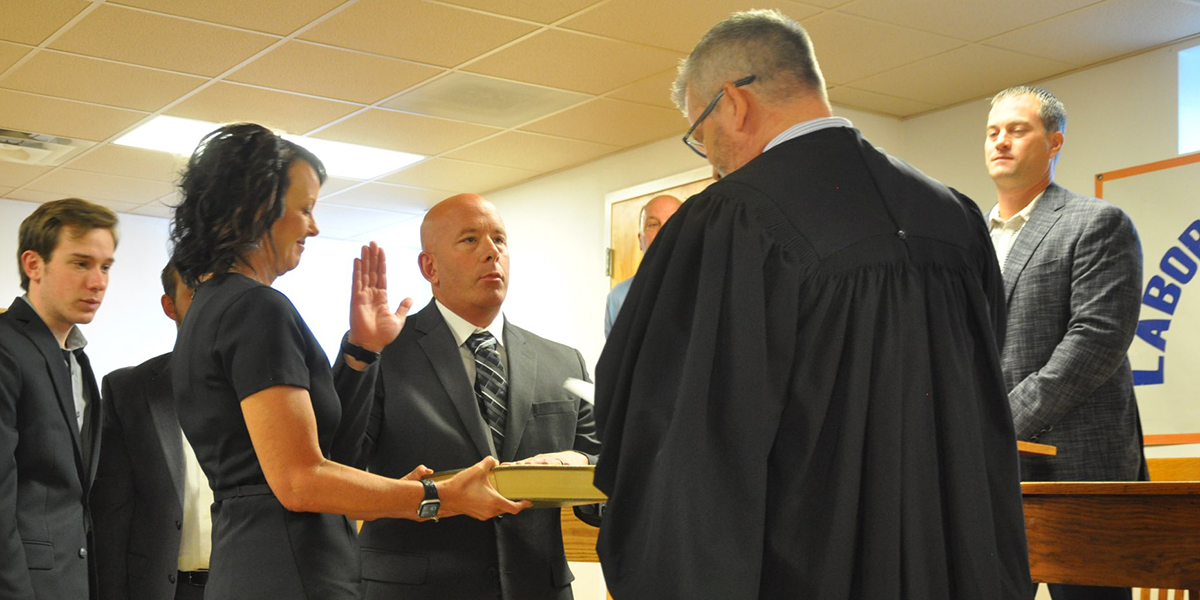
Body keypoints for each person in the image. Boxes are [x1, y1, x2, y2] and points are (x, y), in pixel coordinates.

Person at [593, 10, 1031, 600]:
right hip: (951, 564)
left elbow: (680, 434)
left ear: (732, 103)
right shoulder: (953, 216)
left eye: (700, 135)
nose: (711, 158)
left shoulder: (731, 222)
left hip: (808, 567)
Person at [168, 123, 526, 600]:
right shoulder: (258, 308)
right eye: (306, 209)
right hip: (292, 571)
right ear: (256, 208)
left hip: (247, 564)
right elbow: (299, 481)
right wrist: (438, 498)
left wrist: (361, 350)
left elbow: (304, 458)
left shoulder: (208, 306)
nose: (313, 226)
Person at [336, 193, 601, 600]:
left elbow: (608, 466)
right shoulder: (384, 350)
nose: (491, 252)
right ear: (430, 267)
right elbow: (338, 466)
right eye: (470, 240)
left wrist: (576, 461)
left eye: (500, 239)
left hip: (536, 588)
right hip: (416, 590)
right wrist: (360, 354)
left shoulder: (563, 361)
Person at [984, 86, 1146, 600]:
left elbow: (1095, 341)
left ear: (1054, 143)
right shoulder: (971, 239)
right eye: (992, 132)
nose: (1001, 142)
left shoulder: (1097, 223)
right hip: (991, 474)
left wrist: (993, 423)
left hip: (1077, 468)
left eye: (1017, 129)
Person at [0, 198, 118, 599]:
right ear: (34, 265)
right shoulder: (5, 348)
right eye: (81, 263)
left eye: (106, 266)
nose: (98, 281)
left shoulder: (78, 360)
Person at [92, 261, 212, 600]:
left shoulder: (264, 389)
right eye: (197, 293)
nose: (212, 305)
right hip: (165, 589)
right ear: (169, 306)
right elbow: (112, 516)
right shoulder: (129, 390)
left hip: (246, 584)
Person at [604, 194, 681, 336]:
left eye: (674, 222)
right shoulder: (619, 298)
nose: (664, 231)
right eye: (652, 225)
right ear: (640, 239)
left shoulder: (708, 289)